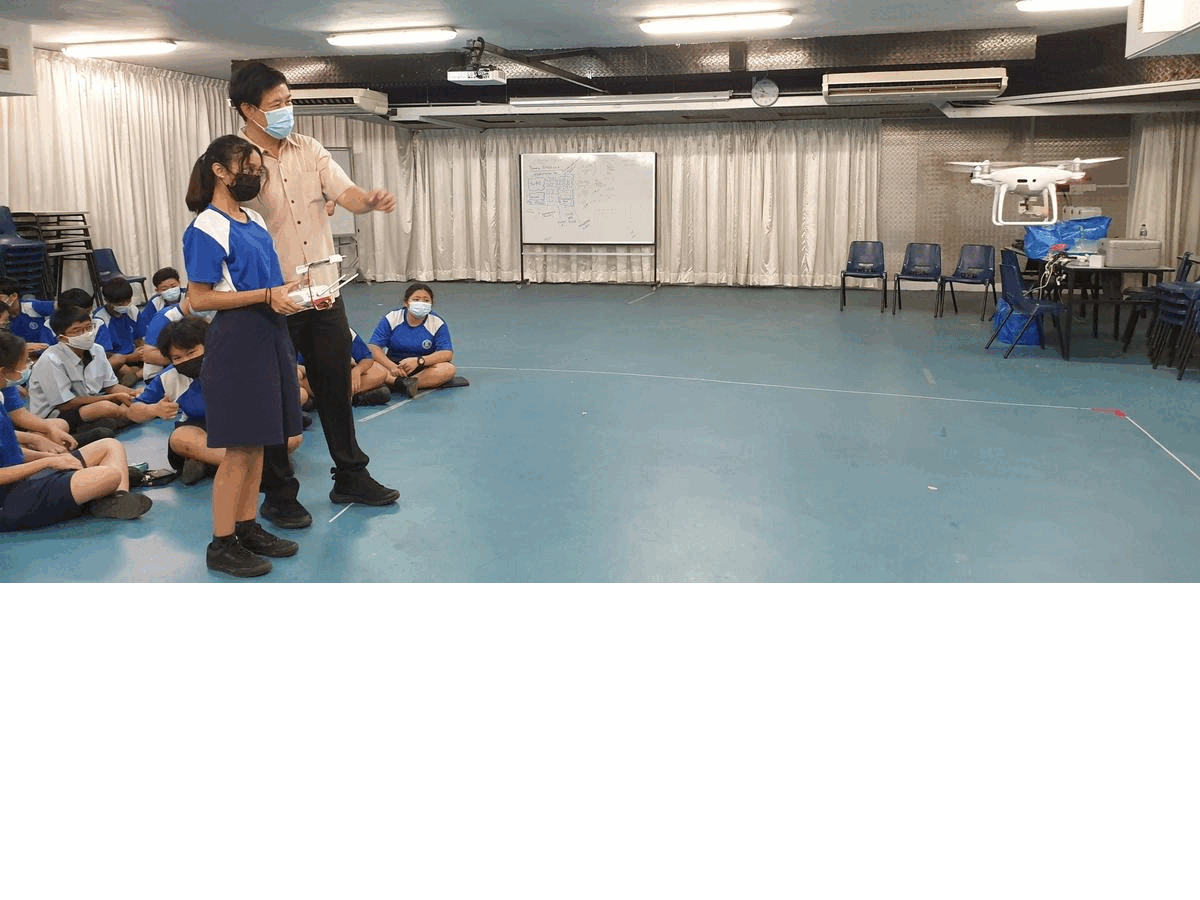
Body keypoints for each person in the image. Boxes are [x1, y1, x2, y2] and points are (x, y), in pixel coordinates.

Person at [229, 61, 398, 528]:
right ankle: (278, 493)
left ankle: (351, 476)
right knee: (276, 396)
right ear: (249, 110)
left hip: (322, 292)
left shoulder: (310, 149)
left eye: (289, 101)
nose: (287, 110)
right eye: (277, 104)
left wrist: (369, 201)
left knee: (335, 386)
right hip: (271, 298)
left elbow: (347, 194)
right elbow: (227, 220)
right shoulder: (237, 161)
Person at [183, 133, 306, 577]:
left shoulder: (253, 219)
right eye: (247, 169)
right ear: (220, 171)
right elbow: (200, 298)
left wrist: (298, 292)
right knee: (239, 449)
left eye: (258, 169)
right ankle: (221, 544)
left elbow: (267, 285)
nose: (254, 175)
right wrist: (267, 296)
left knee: (260, 444)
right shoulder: (206, 227)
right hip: (237, 343)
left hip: (271, 336)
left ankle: (247, 527)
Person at [1, 330, 151, 531]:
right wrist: (48, 461)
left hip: (25, 476)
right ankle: (100, 493)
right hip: (9, 499)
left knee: (110, 445)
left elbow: (10, 449)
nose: (27, 366)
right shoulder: (49, 361)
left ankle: (116, 499)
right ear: (3, 371)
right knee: (110, 475)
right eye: (24, 362)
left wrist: (46, 452)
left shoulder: (3, 388)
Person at [128, 316, 302, 486]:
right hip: (201, 428)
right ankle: (259, 465)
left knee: (293, 437)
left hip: (243, 422)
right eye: (177, 358)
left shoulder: (235, 361)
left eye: (191, 353)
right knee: (180, 439)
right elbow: (133, 411)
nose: (186, 360)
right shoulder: (168, 378)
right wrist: (154, 410)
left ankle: (209, 463)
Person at [27, 305, 141, 432]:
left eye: (88, 327)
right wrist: (111, 398)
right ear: (62, 338)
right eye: (77, 330)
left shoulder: (97, 349)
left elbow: (111, 386)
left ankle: (113, 420)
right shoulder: (50, 360)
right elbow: (64, 404)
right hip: (56, 415)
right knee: (107, 407)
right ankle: (138, 414)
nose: (86, 334)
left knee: (139, 397)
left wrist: (133, 393)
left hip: (89, 403)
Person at [368, 283, 458, 397]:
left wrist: (419, 361)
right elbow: (373, 347)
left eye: (426, 300)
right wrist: (392, 366)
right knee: (368, 364)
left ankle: (401, 383)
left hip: (422, 369)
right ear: (406, 302)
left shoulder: (437, 322)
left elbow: (447, 353)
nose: (421, 303)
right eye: (416, 299)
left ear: (431, 304)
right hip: (393, 367)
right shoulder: (392, 318)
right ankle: (401, 383)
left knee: (448, 369)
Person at [94, 278, 146, 386]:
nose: (125, 305)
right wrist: (129, 358)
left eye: (128, 301)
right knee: (124, 370)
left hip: (133, 355)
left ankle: (136, 374)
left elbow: (139, 339)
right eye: (119, 304)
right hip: (115, 359)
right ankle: (138, 374)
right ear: (107, 301)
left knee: (159, 357)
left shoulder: (133, 310)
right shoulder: (100, 319)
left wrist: (143, 353)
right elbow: (103, 354)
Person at [0, 277, 55, 355]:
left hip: (45, 353)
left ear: (14, 296)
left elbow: (63, 307)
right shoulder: (2, 318)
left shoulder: (32, 306)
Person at [137, 266, 186, 334]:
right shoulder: (155, 301)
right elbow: (145, 323)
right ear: (157, 290)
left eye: (173, 286)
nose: (170, 291)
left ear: (179, 283)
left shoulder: (188, 295)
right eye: (164, 289)